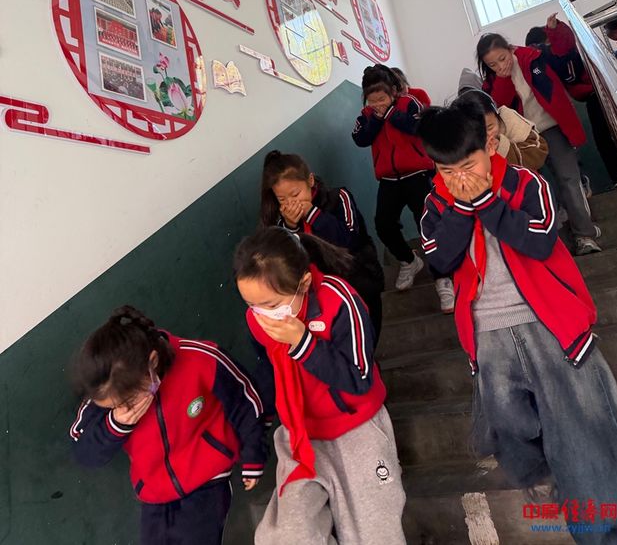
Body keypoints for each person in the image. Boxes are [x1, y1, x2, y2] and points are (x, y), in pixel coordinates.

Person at [417, 102, 617, 543]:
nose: (459, 178)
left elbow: (539, 242)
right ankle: (555, 478)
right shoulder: (436, 204)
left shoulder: (525, 183)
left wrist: (486, 202)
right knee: (511, 434)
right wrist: (462, 208)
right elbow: (440, 259)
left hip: (550, 328)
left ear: (490, 145)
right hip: (488, 336)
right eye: (446, 171)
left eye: (468, 165)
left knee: (587, 438)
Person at [234, 227, 406, 545]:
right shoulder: (257, 319)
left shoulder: (339, 301)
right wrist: (256, 440)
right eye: (251, 304)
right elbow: (269, 372)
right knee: (285, 537)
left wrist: (302, 342)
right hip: (301, 434)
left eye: (271, 304)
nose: (262, 315)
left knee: (375, 532)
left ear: (303, 283)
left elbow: (359, 377)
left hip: (355, 429)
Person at [69, 305, 267, 545]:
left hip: (208, 478)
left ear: (152, 362)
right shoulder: (104, 390)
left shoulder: (200, 359)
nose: (120, 408)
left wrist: (253, 454)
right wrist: (115, 424)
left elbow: (245, 402)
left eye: (126, 402)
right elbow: (85, 454)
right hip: (153, 491)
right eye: (111, 407)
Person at [476, 33, 601, 255]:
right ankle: (553, 239)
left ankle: (585, 235)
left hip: (552, 127)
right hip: (523, 136)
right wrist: (503, 79)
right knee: (534, 186)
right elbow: (500, 108)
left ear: (510, 49)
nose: (500, 66)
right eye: (492, 64)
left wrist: (556, 30)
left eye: (502, 58)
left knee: (569, 179)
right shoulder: (492, 81)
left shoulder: (533, 56)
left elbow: (564, 54)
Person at [352, 64, 454, 309]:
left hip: (418, 175)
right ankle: (409, 260)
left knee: (428, 226)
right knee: (383, 225)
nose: (377, 104)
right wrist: (376, 119)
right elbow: (360, 139)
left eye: (382, 99)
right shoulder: (367, 115)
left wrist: (391, 114)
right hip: (388, 180)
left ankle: (443, 278)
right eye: (372, 100)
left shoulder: (409, 103)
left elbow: (418, 127)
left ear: (393, 93)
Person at [260, 149, 385, 344]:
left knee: (368, 336)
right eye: (282, 200)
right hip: (321, 297)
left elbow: (349, 240)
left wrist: (312, 214)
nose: (291, 203)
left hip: (359, 283)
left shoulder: (339, 198)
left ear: (310, 181)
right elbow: (288, 260)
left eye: (295, 194)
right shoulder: (282, 222)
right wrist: (291, 227)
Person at [526, 13, 617, 187]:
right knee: (605, 137)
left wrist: (553, 30)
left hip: (599, 93)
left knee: (609, 136)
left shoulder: (561, 54)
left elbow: (566, 48)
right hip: (593, 95)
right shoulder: (554, 59)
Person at [455, 87, 548, 171]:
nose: (486, 135)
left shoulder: (508, 119)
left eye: (490, 127)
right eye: (477, 132)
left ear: (498, 117)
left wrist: (501, 147)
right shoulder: (461, 141)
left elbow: (540, 151)